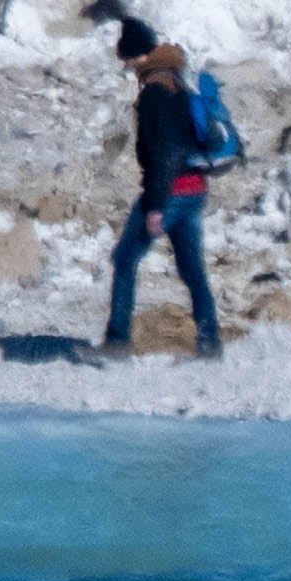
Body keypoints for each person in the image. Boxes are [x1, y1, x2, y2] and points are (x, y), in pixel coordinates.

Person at [97, 26, 228, 361]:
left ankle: (117, 342)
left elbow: (164, 152)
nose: (125, 66)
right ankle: (210, 342)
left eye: (126, 58)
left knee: (125, 259)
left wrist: (155, 205)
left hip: (169, 193)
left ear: (138, 56)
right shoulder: (179, 81)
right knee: (192, 269)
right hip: (195, 188)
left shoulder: (155, 91)